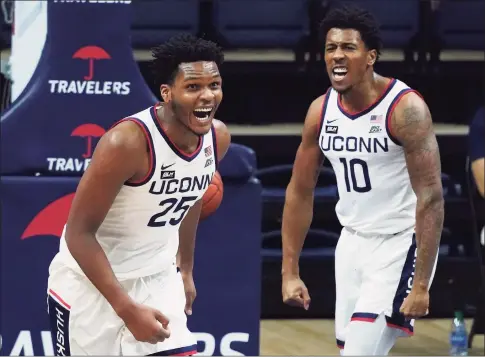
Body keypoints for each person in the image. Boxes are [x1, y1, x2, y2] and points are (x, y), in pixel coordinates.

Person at [46, 33, 231, 356]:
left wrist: (184, 267)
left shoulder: (217, 138)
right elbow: (78, 234)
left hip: (157, 280)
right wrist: (126, 308)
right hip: (91, 286)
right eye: (193, 87)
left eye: (213, 85)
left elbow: (192, 201)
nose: (207, 96)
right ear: (167, 93)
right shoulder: (127, 143)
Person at [280, 4, 444, 356]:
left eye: (348, 48)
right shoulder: (320, 111)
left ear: (370, 57)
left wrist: (420, 285)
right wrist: (289, 271)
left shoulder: (405, 109)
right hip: (352, 243)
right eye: (330, 48)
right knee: (351, 351)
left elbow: (431, 196)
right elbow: (299, 190)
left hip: (400, 243)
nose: (337, 56)